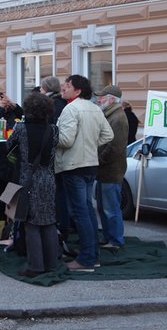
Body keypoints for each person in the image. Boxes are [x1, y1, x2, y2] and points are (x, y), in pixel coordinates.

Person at [55, 75, 113, 272]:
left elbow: (66, 140)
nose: (63, 87)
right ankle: (92, 255)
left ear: (78, 91)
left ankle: (87, 258)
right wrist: (89, 145)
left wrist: (52, 134)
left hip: (74, 166)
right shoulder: (95, 108)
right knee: (87, 211)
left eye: (68, 85)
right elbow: (108, 135)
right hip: (90, 164)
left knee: (81, 213)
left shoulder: (71, 109)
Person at [7, 92, 59, 278]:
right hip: (48, 178)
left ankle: (35, 266)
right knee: (48, 222)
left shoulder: (21, 129)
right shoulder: (53, 130)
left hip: (28, 179)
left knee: (31, 223)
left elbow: (9, 146)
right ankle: (52, 264)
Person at [94, 85, 129, 249]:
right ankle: (109, 237)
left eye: (102, 97)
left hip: (111, 170)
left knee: (111, 208)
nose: (98, 100)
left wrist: (99, 159)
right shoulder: (111, 115)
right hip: (105, 170)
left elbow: (115, 147)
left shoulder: (118, 118)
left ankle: (115, 241)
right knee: (103, 207)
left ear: (112, 99)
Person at [0, 92, 23, 223]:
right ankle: (0, 221)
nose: (6, 105)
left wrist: (14, 106)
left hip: (13, 160)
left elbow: (23, 115)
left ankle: (10, 219)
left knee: (11, 191)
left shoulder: (14, 114)